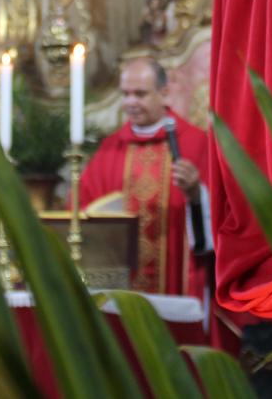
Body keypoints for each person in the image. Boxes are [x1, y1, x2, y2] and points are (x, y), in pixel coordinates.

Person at [80, 57, 212, 297]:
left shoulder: (195, 143)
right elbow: (83, 212)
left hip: (178, 281)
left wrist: (196, 194)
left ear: (164, 94)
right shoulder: (110, 150)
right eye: (125, 94)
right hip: (121, 284)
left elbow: (224, 217)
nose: (130, 102)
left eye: (140, 94)